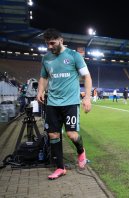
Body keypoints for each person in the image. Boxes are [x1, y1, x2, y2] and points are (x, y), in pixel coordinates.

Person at [37, 28, 92, 180]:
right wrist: (40, 91)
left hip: (70, 103)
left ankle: (81, 151)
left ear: (61, 40)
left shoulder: (74, 56)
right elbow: (43, 77)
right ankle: (60, 168)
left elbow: (87, 77)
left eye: (52, 43)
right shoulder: (46, 58)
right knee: (53, 134)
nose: (49, 46)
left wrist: (87, 98)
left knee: (71, 134)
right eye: (47, 43)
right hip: (53, 102)